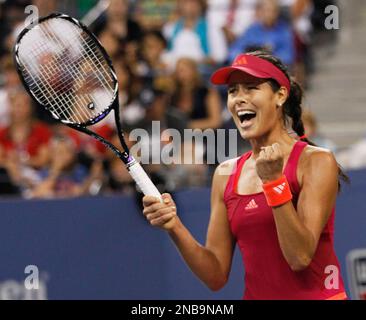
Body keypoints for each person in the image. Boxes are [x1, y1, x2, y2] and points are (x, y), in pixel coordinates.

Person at [142, 51, 349, 300]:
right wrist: (174, 226)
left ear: (280, 95)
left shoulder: (316, 161)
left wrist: (274, 183)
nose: (239, 99)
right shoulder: (225, 174)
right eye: (233, 91)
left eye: (251, 88)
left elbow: (300, 257)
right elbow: (215, 275)